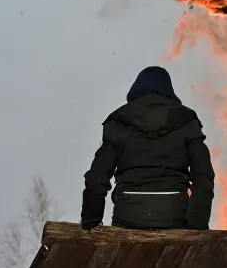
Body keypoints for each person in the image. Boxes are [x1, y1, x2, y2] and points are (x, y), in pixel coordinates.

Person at [80, 66, 215, 231]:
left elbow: (96, 178)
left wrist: (91, 221)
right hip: (174, 216)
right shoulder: (186, 121)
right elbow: (204, 176)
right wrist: (197, 224)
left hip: (128, 217)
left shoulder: (119, 122)